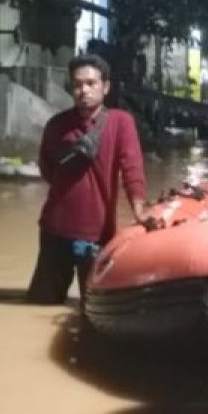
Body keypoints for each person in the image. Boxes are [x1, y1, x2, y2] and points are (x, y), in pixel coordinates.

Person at [26, 54, 154, 306]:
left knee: (94, 307)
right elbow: (47, 170)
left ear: (105, 87)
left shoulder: (121, 123)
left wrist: (139, 209)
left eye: (91, 83)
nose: (83, 90)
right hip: (54, 231)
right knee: (41, 305)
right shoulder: (56, 125)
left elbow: (132, 169)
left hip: (96, 235)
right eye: (77, 84)